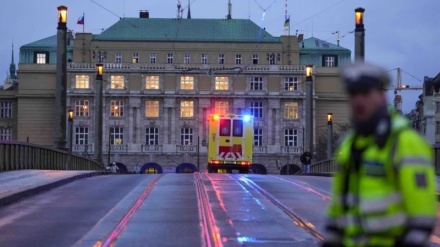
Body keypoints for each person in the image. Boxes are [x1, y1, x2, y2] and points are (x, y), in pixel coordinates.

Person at [323, 62, 437, 247]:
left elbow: (422, 215)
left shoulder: (405, 142)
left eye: (366, 93)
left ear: (382, 96)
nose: (359, 101)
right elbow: (340, 206)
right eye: (353, 94)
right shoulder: (349, 144)